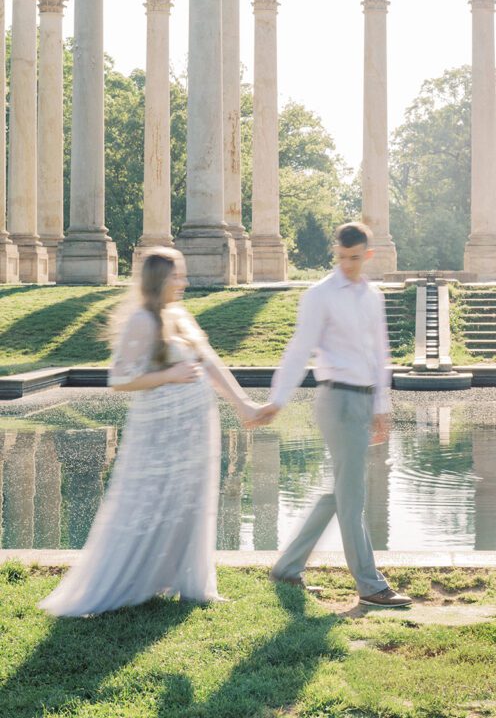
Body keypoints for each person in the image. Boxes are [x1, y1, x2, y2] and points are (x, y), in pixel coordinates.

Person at [39, 247, 264, 617]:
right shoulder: (142, 320)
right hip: (161, 433)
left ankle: (193, 587)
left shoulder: (180, 314)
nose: (185, 282)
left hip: (195, 430)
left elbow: (210, 363)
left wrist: (243, 405)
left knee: (192, 503)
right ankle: (135, 580)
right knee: (152, 504)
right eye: (178, 276)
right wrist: (169, 375)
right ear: (160, 279)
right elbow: (120, 379)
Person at [254, 222, 411, 608]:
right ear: (334, 253)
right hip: (335, 400)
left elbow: (381, 354)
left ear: (367, 256)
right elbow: (299, 348)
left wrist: (381, 406)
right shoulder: (319, 295)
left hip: (362, 400)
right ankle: (370, 586)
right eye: (341, 258)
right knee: (352, 494)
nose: (347, 265)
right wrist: (277, 399)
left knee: (341, 492)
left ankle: (288, 567)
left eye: (355, 258)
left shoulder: (372, 296)